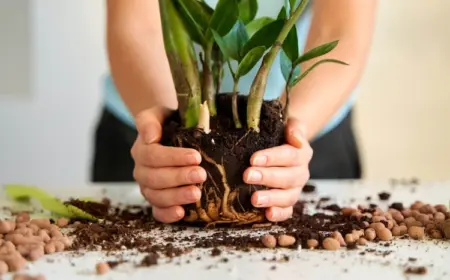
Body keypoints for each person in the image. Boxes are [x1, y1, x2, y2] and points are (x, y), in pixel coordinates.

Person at [92, 0, 377, 223]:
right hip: (145, 120)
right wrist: (173, 130)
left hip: (310, 123)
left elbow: (340, 29)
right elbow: (138, 24)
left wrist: (292, 133)